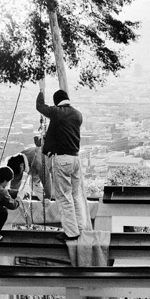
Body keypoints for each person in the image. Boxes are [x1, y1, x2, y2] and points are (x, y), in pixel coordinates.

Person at [35, 81, 89, 241]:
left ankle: (71, 233)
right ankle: (80, 228)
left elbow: (40, 107)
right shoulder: (78, 115)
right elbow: (62, 132)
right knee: (75, 195)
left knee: (64, 197)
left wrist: (41, 90)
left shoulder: (58, 112)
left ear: (57, 102)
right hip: (75, 159)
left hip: (62, 159)